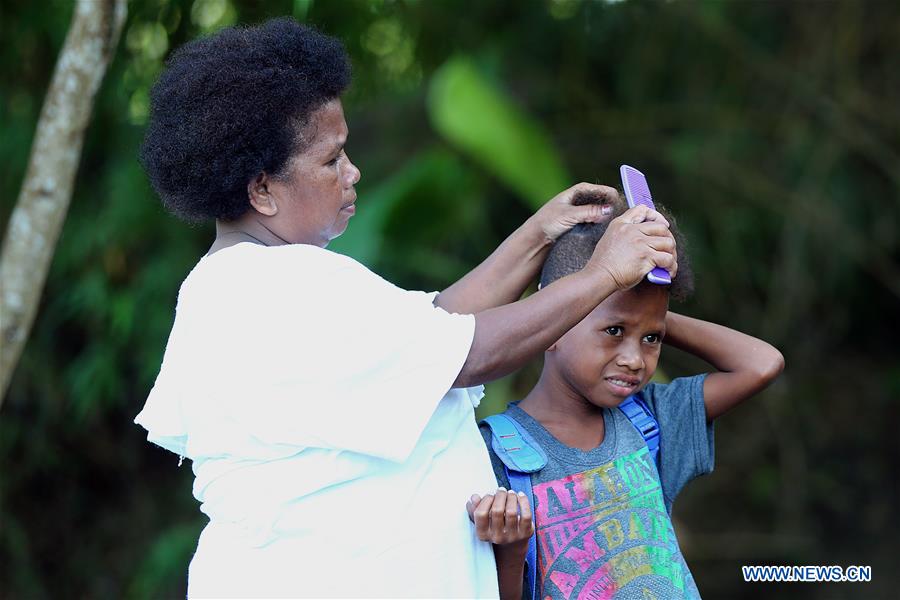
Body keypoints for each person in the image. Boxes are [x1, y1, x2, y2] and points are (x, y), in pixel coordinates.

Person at [133, 18, 678, 598]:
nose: (352, 173)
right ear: (262, 189)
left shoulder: (254, 281)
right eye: (331, 160)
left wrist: (539, 235)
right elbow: (469, 353)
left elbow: (435, 328)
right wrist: (603, 275)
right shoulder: (270, 293)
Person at [473, 198, 785, 599]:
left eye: (651, 338)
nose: (635, 360)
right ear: (553, 322)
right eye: (615, 332)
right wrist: (511, 552)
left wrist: (645, 307)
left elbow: (762, 364)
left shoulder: (649, 421)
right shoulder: (495, 454)